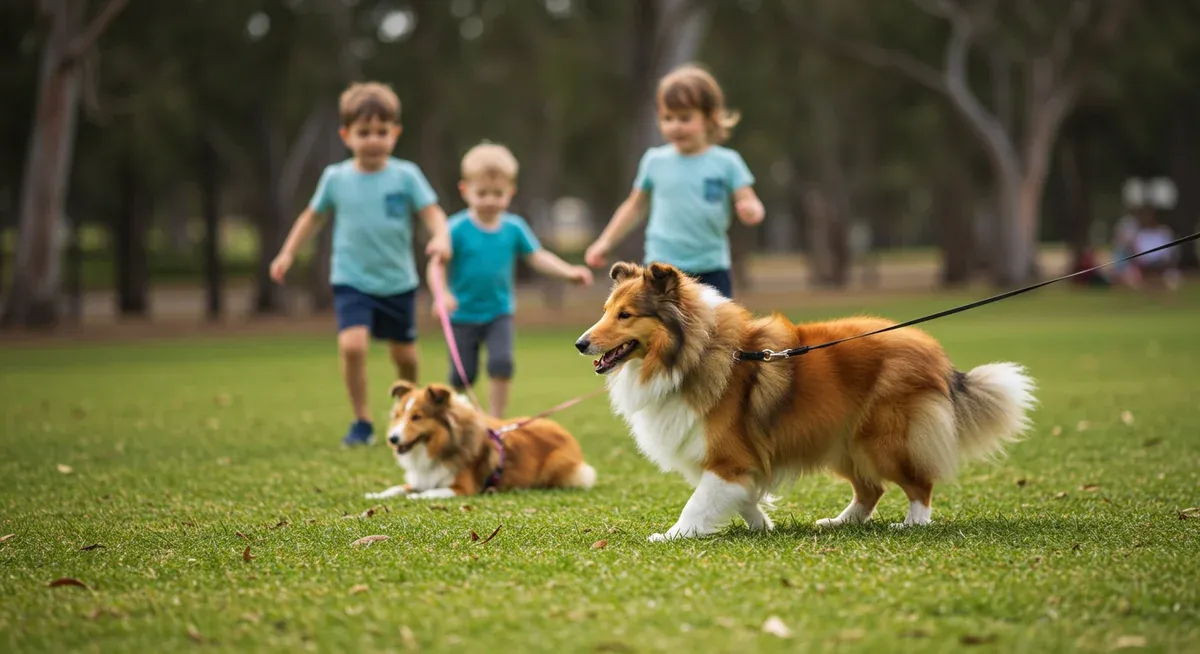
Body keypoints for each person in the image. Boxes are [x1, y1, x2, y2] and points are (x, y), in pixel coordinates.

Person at [270, 81, 452, 447]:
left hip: (398, 281)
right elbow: (312, 217)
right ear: (346, 135)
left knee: (405, 355)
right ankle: (362, 421)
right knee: (352, 346)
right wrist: (288, 252)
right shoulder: (336, 178)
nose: (373, 139)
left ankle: (410, 411)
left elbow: (432, 213)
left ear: (395, 133)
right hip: (351, 279)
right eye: (363, 132)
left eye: (382, 132)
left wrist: (441, 237)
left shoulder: (406, 175)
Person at [428, 142, 593, 418]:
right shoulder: (455, 228)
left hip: (499, 313)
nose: (491, 200)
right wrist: (441, 294)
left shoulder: (514, 228)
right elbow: (436, 265)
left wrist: (568, 272)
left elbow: (537, 256)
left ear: (510, 193)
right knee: (461, 374)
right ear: (465, 191)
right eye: (482, 193)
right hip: (461, 314)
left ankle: (495, 419)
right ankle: (455, 418)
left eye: (498, 194)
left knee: (502, 363)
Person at [584, 63, 765, 298]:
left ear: (710, 117)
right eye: (668, 118)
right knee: (662, 333)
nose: (675, 126)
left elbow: (751, 201)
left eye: (685, 118)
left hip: (711, 269)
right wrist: (605, 241)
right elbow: (634, 206)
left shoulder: (727, 162)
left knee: (717, 333)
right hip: (662, 271)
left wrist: (751, 210)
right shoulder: (654, 161)